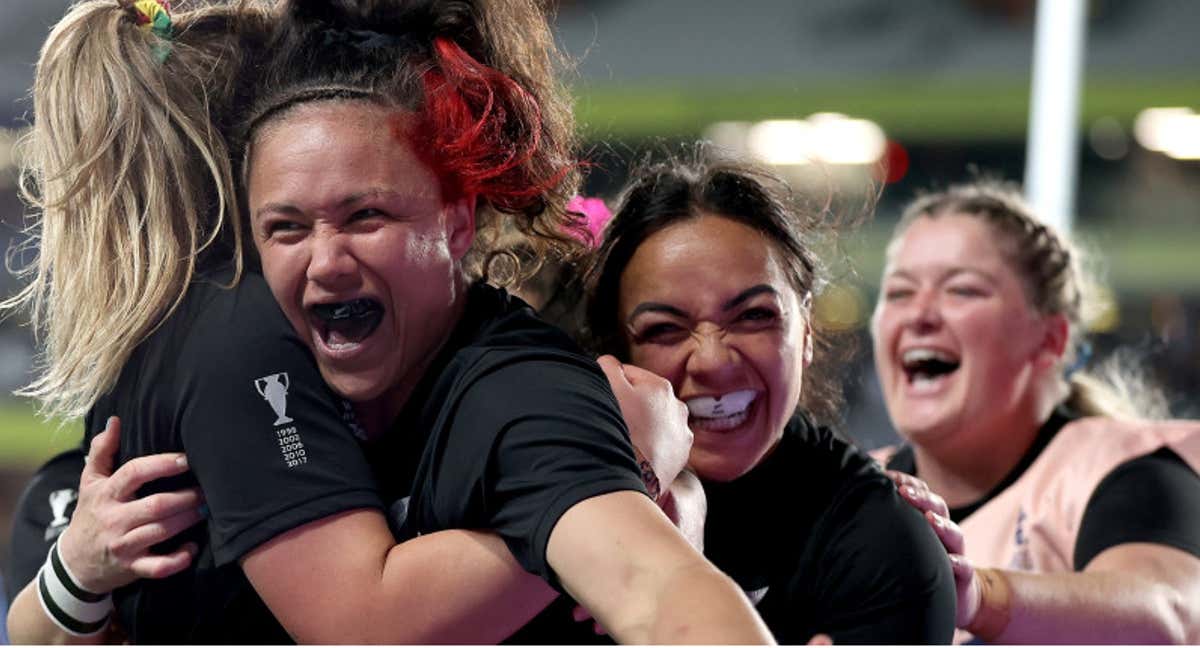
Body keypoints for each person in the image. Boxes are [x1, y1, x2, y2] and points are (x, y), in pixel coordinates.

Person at [6, 0, 771, 644]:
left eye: (365, 215)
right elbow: (359, 626)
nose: (326, 259)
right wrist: (637, 465)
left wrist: (622, 488)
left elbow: (659, 588)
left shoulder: (520, 394)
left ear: (460, 219)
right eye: (288, 226)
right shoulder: (234, 338)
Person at [577, 150, 957, 644]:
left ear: (806, 331)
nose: (713, 360)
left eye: (754, 316)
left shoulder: (884, 546)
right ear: (615, 353)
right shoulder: (553, 510)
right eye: (665, 329)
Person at [870, 180, 1200, 643]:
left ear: (1050, 340)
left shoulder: (1129, 472)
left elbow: (1168, 615)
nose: (919, 314)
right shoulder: (858, 487)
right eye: (899, 293)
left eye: (961, 290)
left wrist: (977, 597)